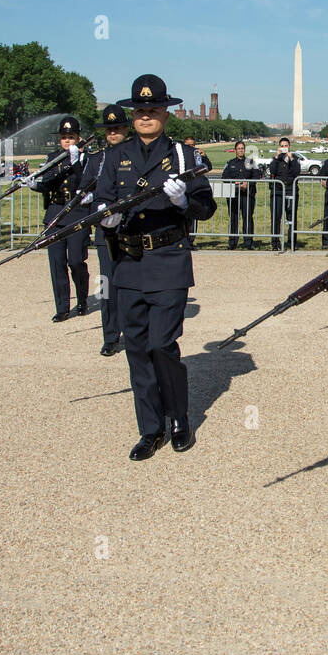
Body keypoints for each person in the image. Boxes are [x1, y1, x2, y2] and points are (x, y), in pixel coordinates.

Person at [94, 73, 216, 461]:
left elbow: (206, 208)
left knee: (163, 345)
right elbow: (102, 199)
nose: (145, 116)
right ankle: (150, 428)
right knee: (137, 349)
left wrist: (183, 204)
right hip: (128, 263)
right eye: (139, 110)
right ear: (133, 115)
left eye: (152, 109)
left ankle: (178, 417)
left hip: (167, 260)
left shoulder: (184, 155)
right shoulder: (115, 155)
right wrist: (104, 217)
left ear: (166, 112)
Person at [24, 116, 91, 321]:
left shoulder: (87, 159)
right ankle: (62, 307)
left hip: (78, 212)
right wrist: (34, 184)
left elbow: (86, 183)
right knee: (56, 262)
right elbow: (49, 184)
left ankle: (82, 299)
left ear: (78, 138)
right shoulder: (53, 158)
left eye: (71, 137)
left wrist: (76, 163)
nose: (67, 141)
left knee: (76, 260)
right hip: (55, 212)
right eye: (64, 138)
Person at [86, 106, 130, 354]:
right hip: (106, 233)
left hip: (131, 229)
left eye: (117, 128)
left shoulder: (135, 156)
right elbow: (86, 193)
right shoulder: (96, 160)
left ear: (126, 129)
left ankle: (132, 330)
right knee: (106, 287)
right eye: (108, 129)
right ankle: (110, 336)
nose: (113, 133)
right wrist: (98, 207)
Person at [220, 140, 257, 249]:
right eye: (239, 148)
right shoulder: (230, 163)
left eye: (242, 148)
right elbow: (224, 178)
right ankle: (232, 243)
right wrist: (234, 182)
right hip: (233, 195)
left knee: (247, 218)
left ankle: (248, 243)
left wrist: (248, 184)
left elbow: (256, 177)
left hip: (247, 195)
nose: (241, 150)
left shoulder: (250, 162)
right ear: (235, 150)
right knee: (233, 218)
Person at [269, 137, 300, 250]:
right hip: (277, 190)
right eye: (282, 146)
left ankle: (292, 242)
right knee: (276, 218)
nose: (284, 148)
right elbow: (272, 171)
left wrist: (291, 158)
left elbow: (297, 172)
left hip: (291, 189)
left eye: (285, 146)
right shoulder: (276, 159)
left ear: (289, 146)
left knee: (292, 217)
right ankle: (275, 243)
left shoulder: (294, 158)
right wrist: (277, 157)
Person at [183, 136, 211, 250]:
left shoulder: (197, 157)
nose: (191, 147)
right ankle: (183, 241)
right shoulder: (181, 156)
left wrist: (204, 157)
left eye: (193, 145)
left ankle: (190, 241)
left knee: (193, 217)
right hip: (183, 190)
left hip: (194, 190)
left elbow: (208, 167)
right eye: (188, 145)